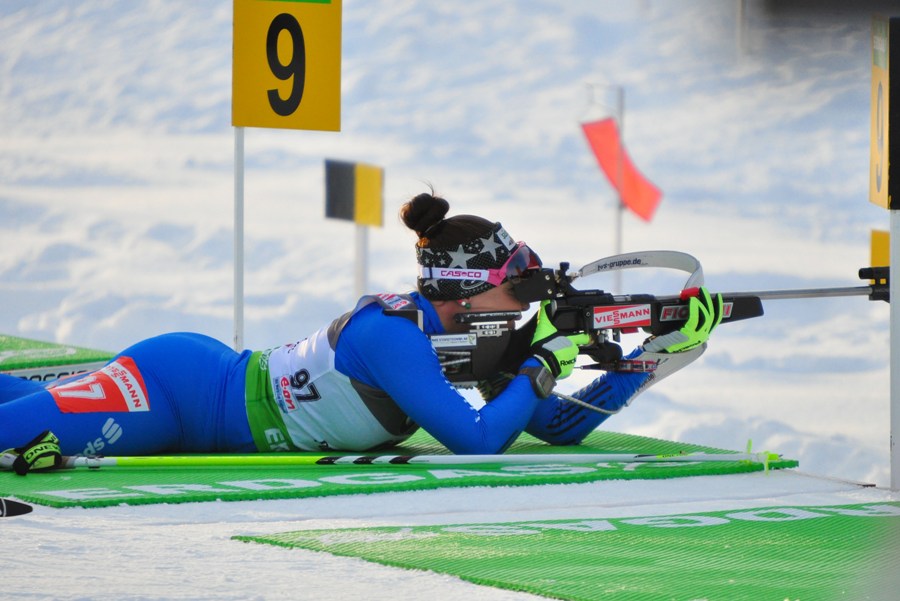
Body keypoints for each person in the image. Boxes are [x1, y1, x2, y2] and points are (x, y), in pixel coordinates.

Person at [0, 191, 723, 474]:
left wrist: (653, 359)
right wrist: (544, 354)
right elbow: (476, 440)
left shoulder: (470, 339)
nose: (527, 296)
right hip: (179, 391)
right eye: (517, 282)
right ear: (470, 289)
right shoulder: (393, 336)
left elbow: (555, 427)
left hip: (199, 389)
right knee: (14, 437)